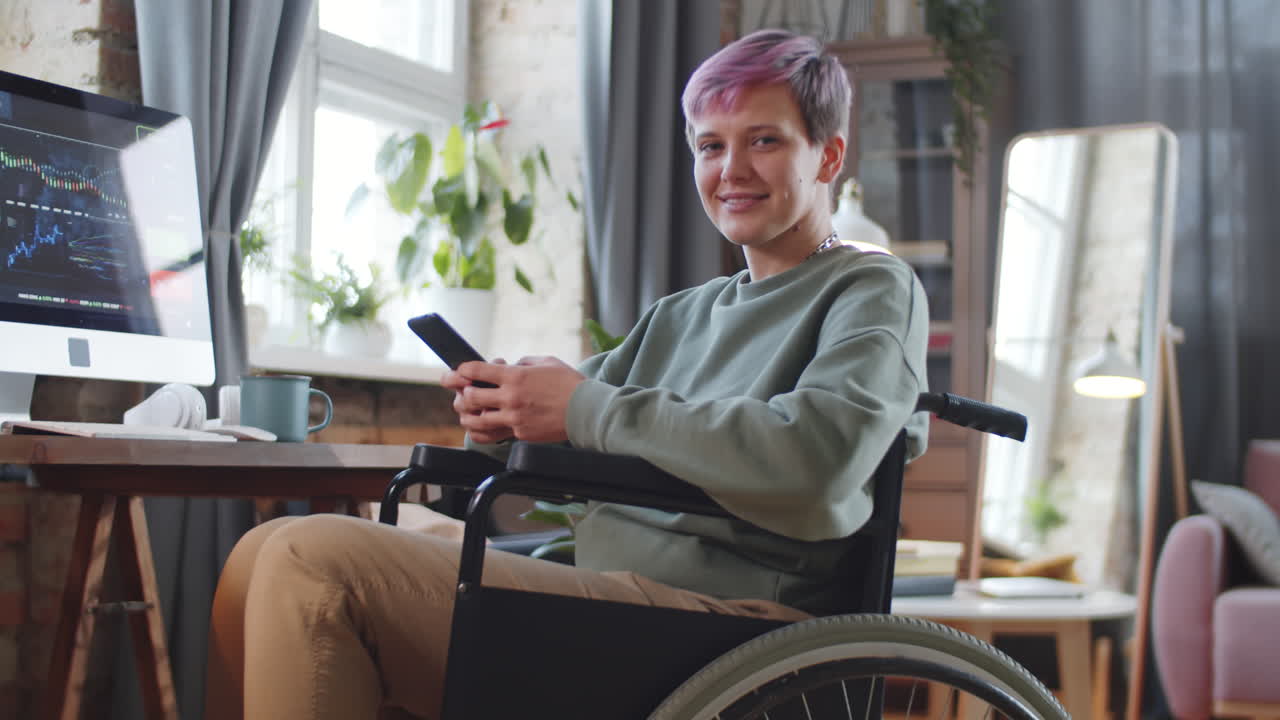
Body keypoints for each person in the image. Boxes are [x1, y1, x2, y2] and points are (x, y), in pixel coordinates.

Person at [204, 28, 929, 720]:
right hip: (611, 596)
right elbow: (571, 420)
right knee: (257, 555)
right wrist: (503, 412)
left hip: (732, 628)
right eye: (710, 145)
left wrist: (585, 409)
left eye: (764, 141)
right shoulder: (681, 315)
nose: (731, 170)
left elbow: (816, 462)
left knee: (312, 560)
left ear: (828, 157)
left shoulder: (870, 290)